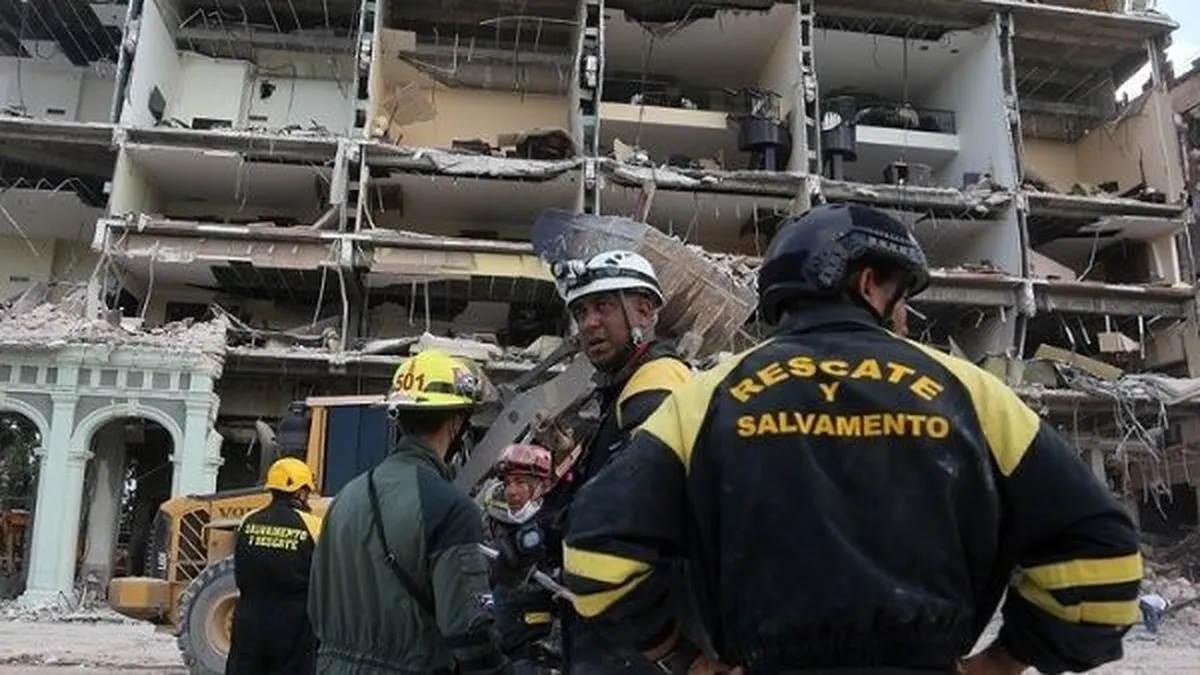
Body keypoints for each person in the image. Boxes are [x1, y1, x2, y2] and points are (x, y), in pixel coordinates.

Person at [561, 203, 1145, 674]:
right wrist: (1005, 660)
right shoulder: (971, 393)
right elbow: (1105, 568)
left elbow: (594, 557)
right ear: (868, 284)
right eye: (903, 296)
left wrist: (683, 657)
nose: (906, 316)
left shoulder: (706, 398)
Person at [307, 350, 511, 675]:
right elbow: (470, 629)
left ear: (399, 417)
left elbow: (316, 604)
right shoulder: (451, 508)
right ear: (456, 423)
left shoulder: (345, 498)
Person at [548, 249, 694, 673]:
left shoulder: (655, 386)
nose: (589, 323)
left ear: (644, 310)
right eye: (580, 312)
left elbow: (632, 520)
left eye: (603, 306)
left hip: (638, 644)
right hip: (621, 638)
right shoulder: (625, 389)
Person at [227, 457, 323, 675]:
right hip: (294, 622)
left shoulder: (248, 521)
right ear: (300, 492)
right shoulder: (313, 525)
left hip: (249, 618)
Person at [482, 444, 562, 672]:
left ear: (544, 486)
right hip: (496, 650)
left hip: (534, 655)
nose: (512, 491)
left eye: (520, 482)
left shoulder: (557, 529)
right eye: (508, 483)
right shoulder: (496, 530)